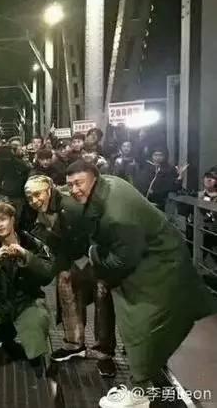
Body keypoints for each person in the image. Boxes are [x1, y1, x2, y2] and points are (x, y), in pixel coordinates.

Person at [65, 160, 217, 407]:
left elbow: (121, 261)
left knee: (141, 324)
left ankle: (140, 392)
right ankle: (145, 380)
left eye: (79, 183)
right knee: (143, 325)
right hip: (153, 260)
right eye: (70, 185)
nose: (74, 190)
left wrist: (93, 254)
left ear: (94, 178)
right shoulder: (109, 184)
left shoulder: (117, 214)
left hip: (161, 267)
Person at [24, 175, 116, 377]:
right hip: (70, 257)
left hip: (95, 254)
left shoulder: (70, 205)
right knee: (68, 296)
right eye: (29, 197)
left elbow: (92, 231)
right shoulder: (41, 211)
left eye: (37, 194)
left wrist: (94, 259)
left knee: (102, 301)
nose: (34, 200)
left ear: (49, 189)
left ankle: (105, 353)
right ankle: (74, 343)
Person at [0, 202, 55, 377]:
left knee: (38, 318)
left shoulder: (31, 243)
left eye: (3, 219)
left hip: (27, 300)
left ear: (12, 219)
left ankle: (35, 353)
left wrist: (26, 256)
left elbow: (47, 275)